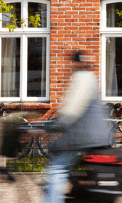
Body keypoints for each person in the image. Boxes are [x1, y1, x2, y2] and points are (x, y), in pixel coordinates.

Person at [43, 51, 110, 203]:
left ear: (76, 63)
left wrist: (55, 125)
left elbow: (71, 110)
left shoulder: (82, 78)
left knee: (56, 169)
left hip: (84, 138)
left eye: (71, 63)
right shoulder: (91, 78)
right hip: (95, 136)